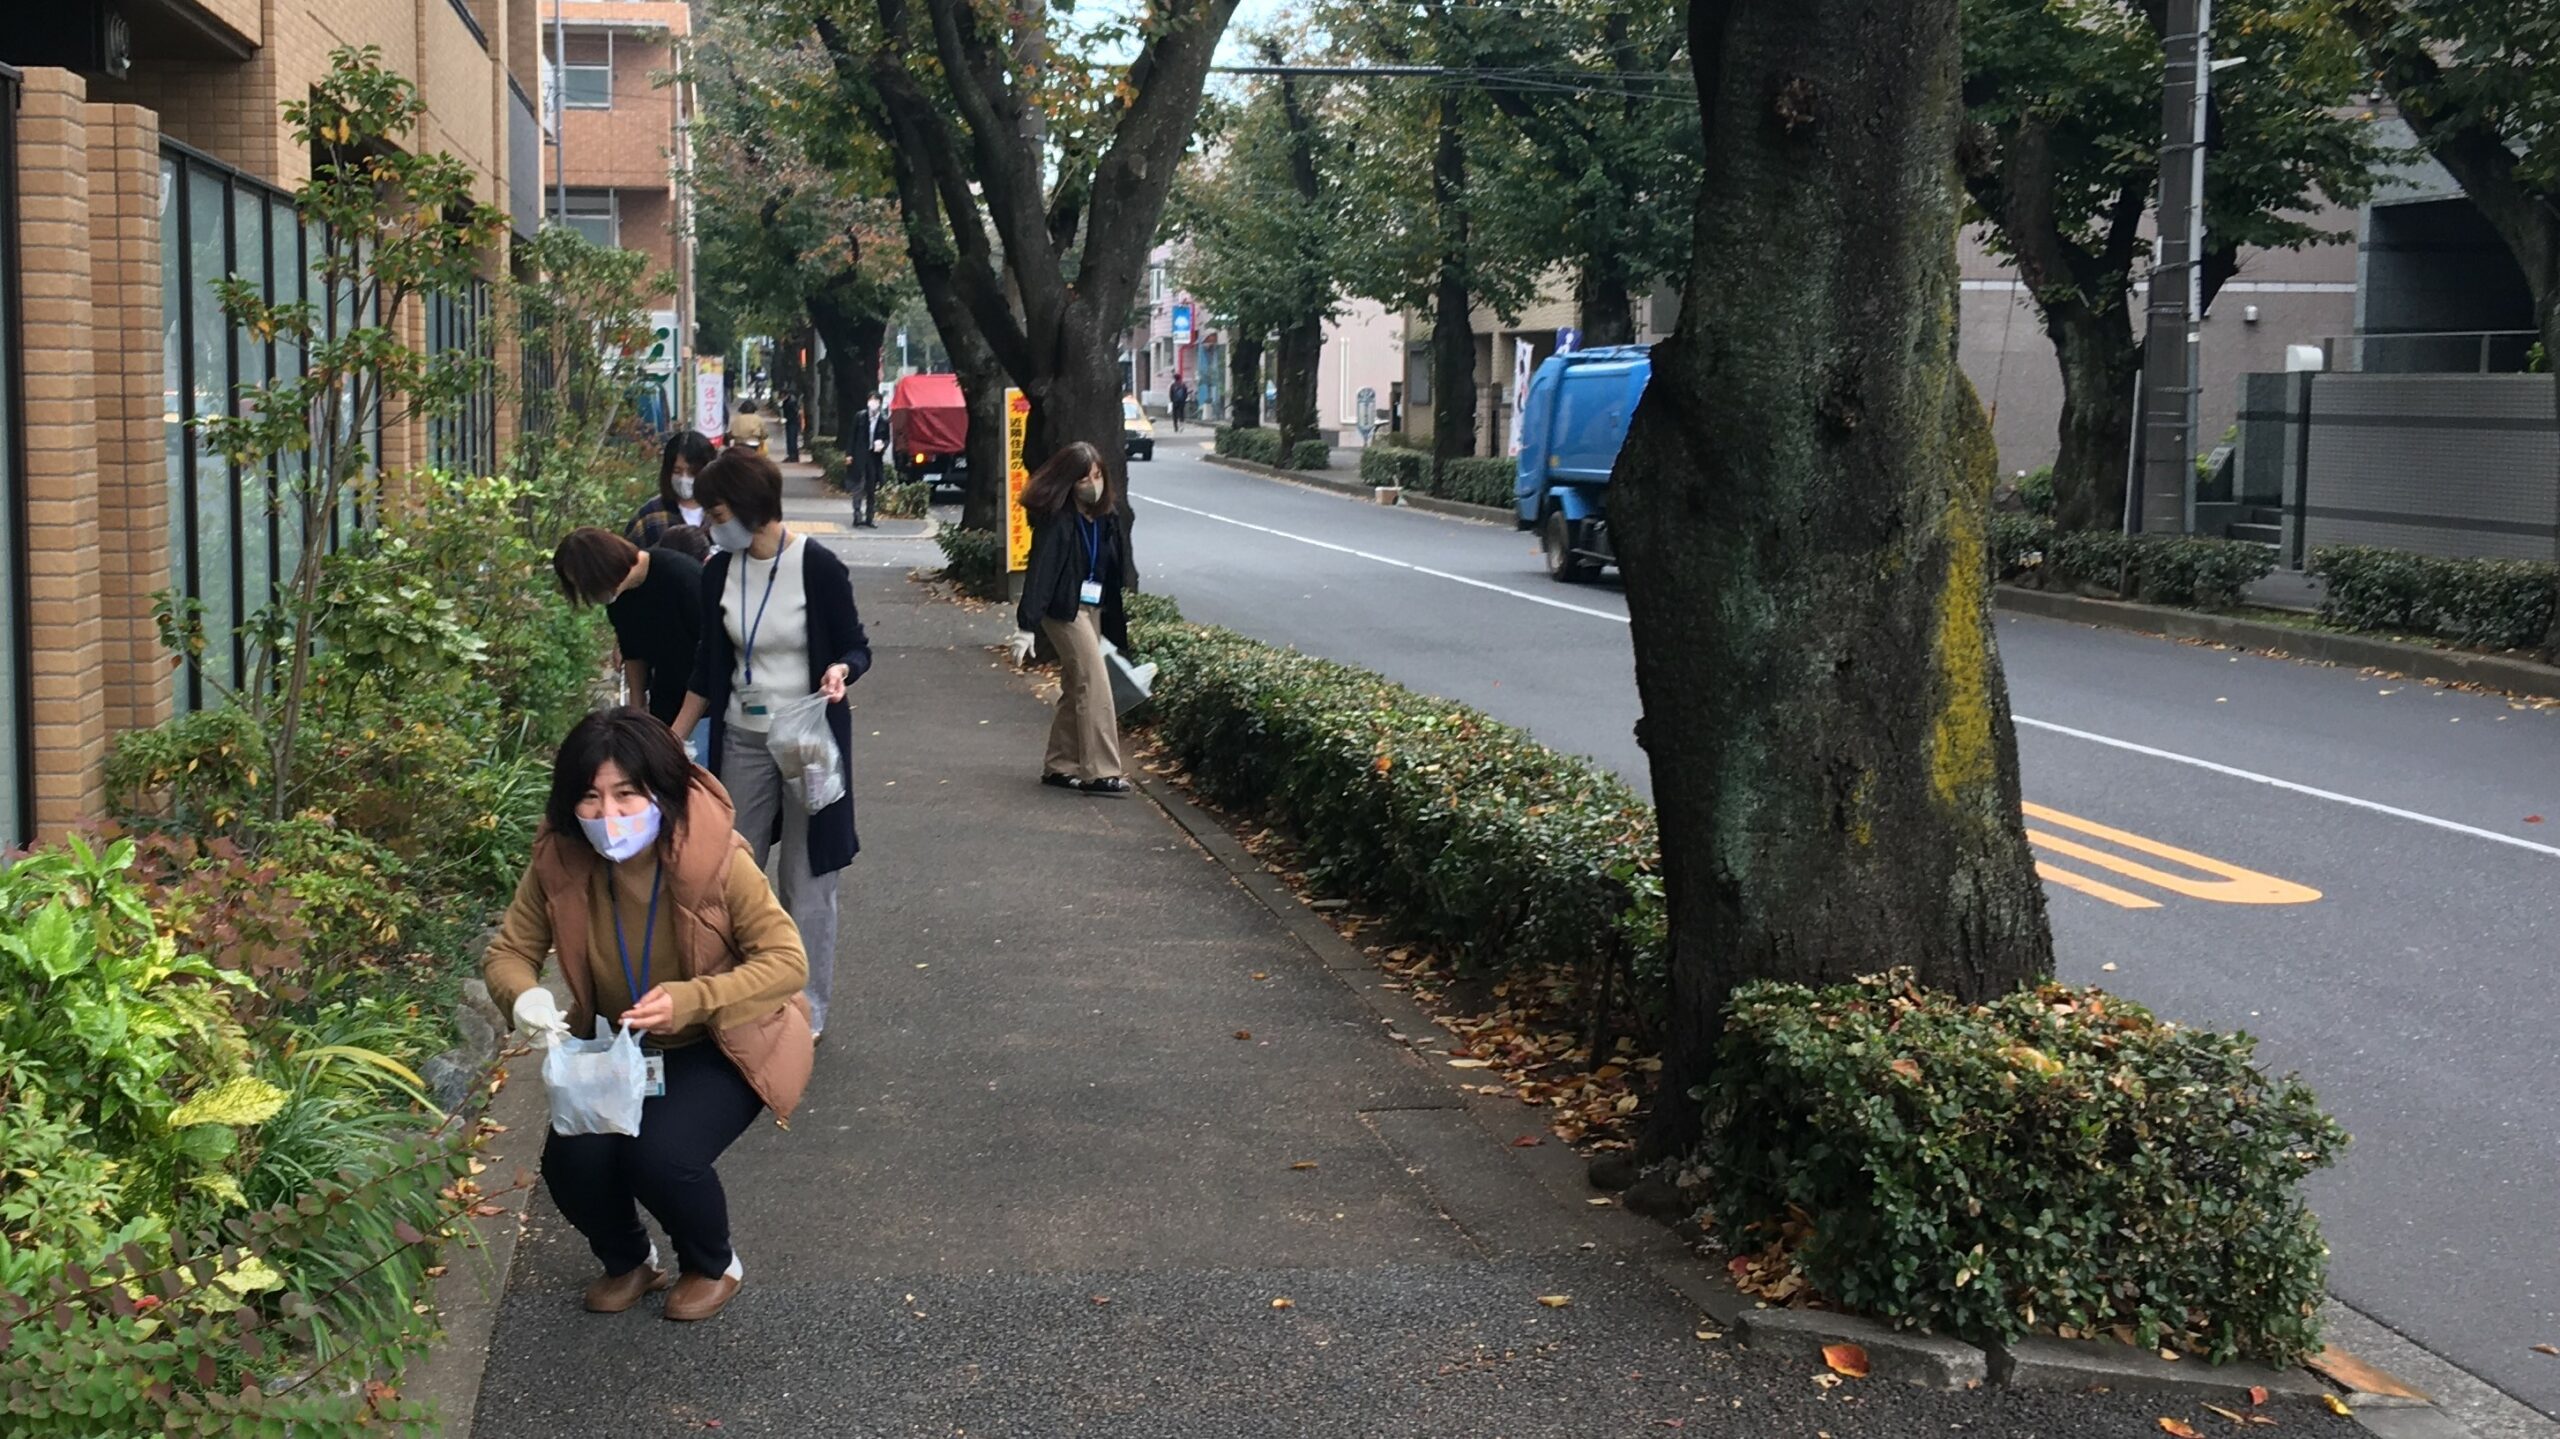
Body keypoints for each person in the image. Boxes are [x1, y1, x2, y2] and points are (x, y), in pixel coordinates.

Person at [483, 708, 814, 1323]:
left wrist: (692, 997)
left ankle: (713, 1263)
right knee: (572, 1160)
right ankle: (630, 1261)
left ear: (661, 791)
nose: (609, 818)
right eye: (589, 799)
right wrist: (522, 997)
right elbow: (509, 953)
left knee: (660, 1156)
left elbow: (788, 962)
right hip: (624, 1047)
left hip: (722, 1039)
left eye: (627, 796)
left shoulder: (715, 857)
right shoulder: (560, 861)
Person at [672, 448, 869, 1039]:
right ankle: (736, 993)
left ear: (752, 507)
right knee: (730, 869)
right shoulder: (718, 570)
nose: (710, 521)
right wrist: (670, 737)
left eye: (718, 508)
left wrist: (841, 670)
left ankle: (804, 1008)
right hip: (744, 738)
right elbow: (709, 666)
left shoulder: (819, 566)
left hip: (808, 742)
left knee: (808, 880)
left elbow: (858, 647)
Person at [1015, 441, 1133, 795]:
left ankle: (1060, 764)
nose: (1092, 484)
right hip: (1063, 609)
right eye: (1084, 478)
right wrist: (1026, 626)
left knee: (1076, 682)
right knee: (1094, 683)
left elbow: (1111, 572)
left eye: (1097, 475)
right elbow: (1041, 573)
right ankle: (1101, 771)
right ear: (1068, 482)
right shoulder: (1058, 521)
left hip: (1091, 607)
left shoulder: (1105, 517)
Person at [554, 528, 705, 730]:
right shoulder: (619, 600)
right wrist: (637, 710)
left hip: (708, 704)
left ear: (602, 569)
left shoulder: (682, 576)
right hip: (667, 699)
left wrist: (679, 733)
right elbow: (633, 653)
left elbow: (711, 659)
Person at [630, 431, 715, 547]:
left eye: (693, 472)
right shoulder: (650, 516)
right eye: (677, 471)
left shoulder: (722, 513)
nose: (684, 478)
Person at [856, 395, 890, 529]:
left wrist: (882, 445)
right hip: (860, 455)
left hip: (874, 457)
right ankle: (857, 515)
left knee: (871, 488)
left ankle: (870, 517)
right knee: (858, 486)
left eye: (876, 401)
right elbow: (853, 437)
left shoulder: (883, 421)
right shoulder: (860, 417)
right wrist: (850, 455)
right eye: (871, 400)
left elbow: (887, 438)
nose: (873, 404)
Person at [780, 392, 802, 463]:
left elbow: (794, 413)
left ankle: (793, 456)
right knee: (791, 440)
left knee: (791, 440)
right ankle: (793, 456)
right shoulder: (788, 401)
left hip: (792, 423)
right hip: (791, 423)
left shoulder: (790, 402)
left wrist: (787, 419)